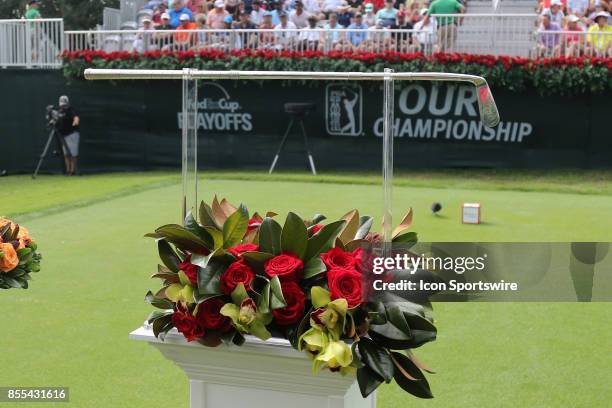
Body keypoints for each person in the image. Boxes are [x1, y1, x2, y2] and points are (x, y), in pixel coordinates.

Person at [56, 96, 80, 176]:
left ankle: (72, 171)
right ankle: (68, 171)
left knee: (73, 154)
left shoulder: (71, 109)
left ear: (67, 103)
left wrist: (76, 121)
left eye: (64, 104)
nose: (63, 106)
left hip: (72, 134)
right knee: (66, 154)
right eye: (62, 104)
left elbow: (76, 117)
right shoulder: (59, 111)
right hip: (64, 136)